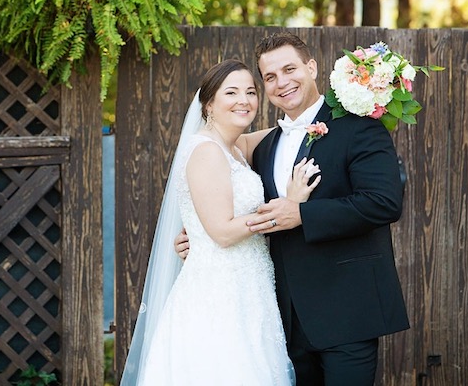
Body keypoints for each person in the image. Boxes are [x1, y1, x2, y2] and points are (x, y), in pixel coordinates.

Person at [176, 32, 410, 385]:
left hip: (346, 311)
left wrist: (301, 214)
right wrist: (198, 234)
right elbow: (222, 187)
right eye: (269, 77)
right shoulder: (265, 146)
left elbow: (383, 202)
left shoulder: (359, 127)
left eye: (289, 69)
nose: (281, 82)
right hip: (281, 319)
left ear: (311, 67)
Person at [120, 59, 321, 386]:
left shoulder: (237, 146)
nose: (244, 100)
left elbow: (293, 128)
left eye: (251, 92)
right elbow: (224, 232)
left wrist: (336, 107)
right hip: (218, 296)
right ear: (209, 103)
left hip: (251, 293)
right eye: (232, 92)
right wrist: (290, 206)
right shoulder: (206, 151)